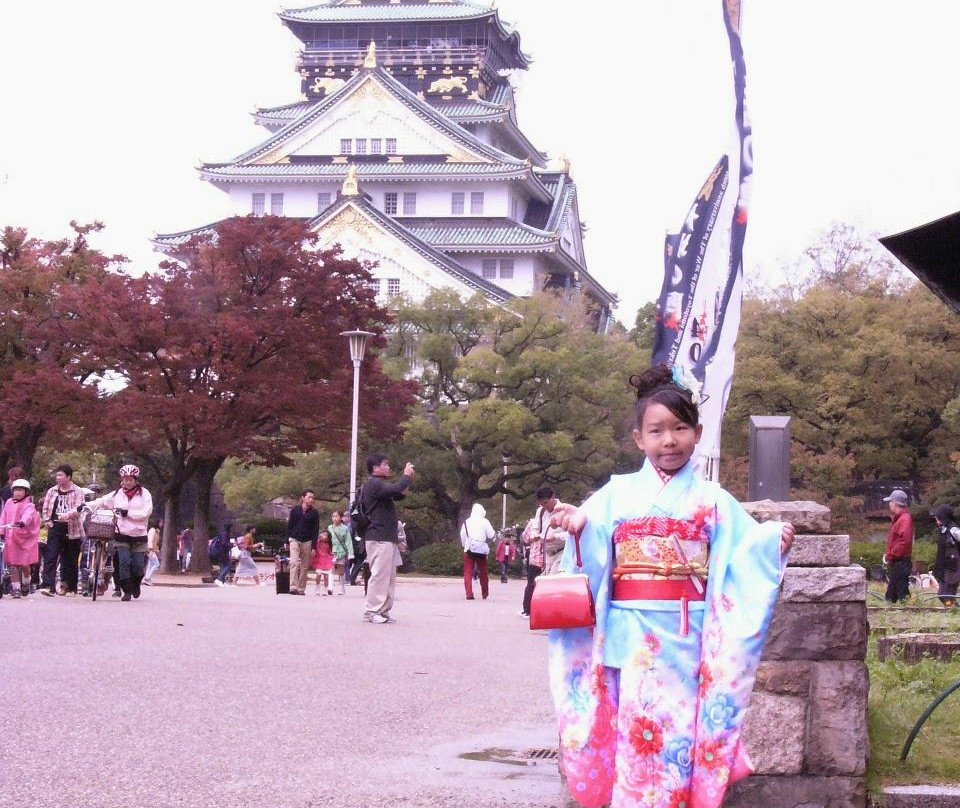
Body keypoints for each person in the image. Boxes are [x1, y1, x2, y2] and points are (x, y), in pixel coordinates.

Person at [546, 365, 794, 808]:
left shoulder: (712, 499)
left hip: (685, 639)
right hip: (628, 638)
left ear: (697, 433)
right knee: (634, 740)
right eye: (656, 431)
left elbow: (744, 550)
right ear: (639, 439)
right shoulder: (617, 493)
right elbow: (593, 549)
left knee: (675, 740)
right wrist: (581, 527)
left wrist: (769, 541)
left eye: (680, 428)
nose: (669, 440)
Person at [84, 464, 153, 602]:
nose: (127, 482)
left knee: (139, 567)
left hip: (139, 535)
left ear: (136, 480)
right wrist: (85, 505)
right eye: (125, 479)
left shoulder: (145, 493)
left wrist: (128, 513)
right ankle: (126, 590)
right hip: (121, 534)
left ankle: (136, 583)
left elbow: (147, 512)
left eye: (130, 479)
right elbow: (101, 502)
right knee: (124, 562)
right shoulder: (117, 494)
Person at [361, 453, 414, 624]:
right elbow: (395, 489)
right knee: (379, 575)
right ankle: (371, 611)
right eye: (385, 464)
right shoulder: (373, 484)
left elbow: (399, 493)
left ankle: (383, 610)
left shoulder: (380, 485)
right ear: (376, 468)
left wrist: (408, 479)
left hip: (388, 538)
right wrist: (405, 475)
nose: (388, 466)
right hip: (378, 537)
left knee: (389, 576)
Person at [40, 464, 87, 597]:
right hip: (55, 527)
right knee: (51, 556)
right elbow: (46, 508)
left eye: (61, 475)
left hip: (72, 527)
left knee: (71, 559)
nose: (58, 478)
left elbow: (80, 508)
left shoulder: (77, 491)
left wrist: (67, 516)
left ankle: (70, 587)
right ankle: (48, 586)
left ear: (68, 476)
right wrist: (48, 522)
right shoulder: (52, 491)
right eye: (57, 475)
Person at [0, 478, 40, 598]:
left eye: (20, 490)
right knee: (13, 563)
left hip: (24, 538)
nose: (17, 492)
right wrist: (2, 530)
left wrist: (22, 522)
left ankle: (26, 583)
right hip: (11, 537)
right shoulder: (8, 503)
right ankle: (16, 588)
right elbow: (3, 516)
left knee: (24, 564)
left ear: (26, 492)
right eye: (16, 490)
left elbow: (28, 516)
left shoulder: (29, 505)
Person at [882, 489, 914, 604]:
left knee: (901, 593)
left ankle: (908, 611)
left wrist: (890, 554)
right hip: (897, 561)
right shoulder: (900, 518)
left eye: (890, 501)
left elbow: (903, 542)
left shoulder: (904, 519)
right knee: (894, 592)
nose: (889, 504)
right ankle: (891, 605)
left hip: (900, 561)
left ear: (895, 503)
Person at [287, 490, 320, 595]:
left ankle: (301, 588)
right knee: (294, 562)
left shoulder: (314, 513)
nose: (311, 499)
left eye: (312, 498)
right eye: (309, 497)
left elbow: (315, 530)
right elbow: (290, 525)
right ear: (303, 498)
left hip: (307, 540)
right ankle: (293, 587)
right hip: (294, 538)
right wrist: (286, 540)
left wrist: (314, 546)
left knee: (304, 566)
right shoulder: (295, 510)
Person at [460, 503, 495, 600]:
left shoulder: (466, 522)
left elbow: (462, 535)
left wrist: (465, 545)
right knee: (483, 572)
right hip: (481, 549)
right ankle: (485, 593)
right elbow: (491, 535)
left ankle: (469, 594)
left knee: (468, 572)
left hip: (469, 548)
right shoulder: (485, 521)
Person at [532, 486, 568, 576]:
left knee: (554, 579)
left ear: (553, 497)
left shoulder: (564, 510)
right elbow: (535, 528)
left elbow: (571, 534)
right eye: (542, 504)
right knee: (546, 579)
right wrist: (535, 536)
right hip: (547, 554)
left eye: (546, 503)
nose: (545, 506)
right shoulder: (541, 511)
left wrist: (556, 536)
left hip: (561, 552)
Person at [930, 504, 960, 608]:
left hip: (953, 568)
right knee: (942, 595)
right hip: (944, 567)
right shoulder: (943, 529)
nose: (935, 517)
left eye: (937, 516)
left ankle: (952, 609)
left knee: (946, 595)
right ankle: (953, 607)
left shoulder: (954, 529)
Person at [518, 517, 544, 618]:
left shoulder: (533, 523)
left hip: (535, 558)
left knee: (531, 584)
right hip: (549, 559)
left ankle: (527, 610)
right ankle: (541, 611)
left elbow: (525, 538)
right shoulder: (554, 520)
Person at [328, 511, 352, 595]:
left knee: (340, 571)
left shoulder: (345, 528)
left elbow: (348, 541)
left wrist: (350, 552)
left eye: (336, 516)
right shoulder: (330, 528)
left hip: (341, 551)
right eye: (333, 516)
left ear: (341, 518)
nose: (334, 518)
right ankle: (330, 587)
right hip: (331, 551)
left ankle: (342, 588)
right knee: (330, 569)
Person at [312, 530, 335, 595]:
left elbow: (331, 552)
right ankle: (317, 587)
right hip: (319, 560)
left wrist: (333, 557)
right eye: (323, 534)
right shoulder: (317, 542)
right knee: (318, 574)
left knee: (326, 576)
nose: (324, 536)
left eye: (326, 535)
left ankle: (325, 589)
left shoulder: (329, 544)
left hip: (327, 561)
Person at [143, 517, 162, 585]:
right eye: (160, 523)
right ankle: (147, 578)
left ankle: (147, 578)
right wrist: (150, 549)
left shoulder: (156, 531)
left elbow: (156, 542)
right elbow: (150, 540)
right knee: (157, 564)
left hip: (153, 550)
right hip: (150, 550)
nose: (161, 524)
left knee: (150, 565)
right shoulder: (153, 530)